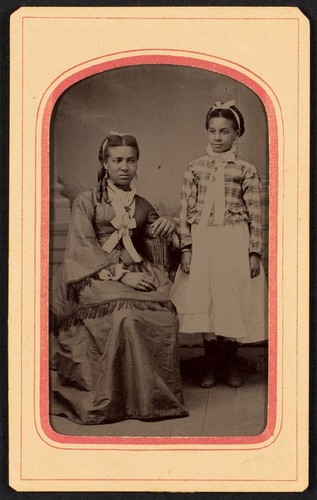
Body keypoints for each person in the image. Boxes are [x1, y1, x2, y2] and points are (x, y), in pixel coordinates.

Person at [50, 132, 188, 425]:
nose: (124, 166)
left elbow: (158, 235)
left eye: (131, 160)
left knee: (162, 316)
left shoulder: (141, 203)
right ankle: (117, 401)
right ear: (105, 163)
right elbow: (82, 247)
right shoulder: (86, 200)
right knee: (123, 314)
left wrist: (169, 224)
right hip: (94, 273)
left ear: (137, 164)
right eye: (117, 160)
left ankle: (149, 400)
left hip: (136, 270)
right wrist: (122, 276)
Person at [170, 100, 267, 388]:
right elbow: (185, 211)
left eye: (225, 132)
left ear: (237, 133)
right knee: (206, 297)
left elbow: (255, 215)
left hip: (233, 240)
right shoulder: (195, 167)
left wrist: (254, 252)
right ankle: (210, 364)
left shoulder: (245, 169)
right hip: (204, 241)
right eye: (212, 131)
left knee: (231, 298)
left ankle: (229, 363)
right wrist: (186, 247)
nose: (217, 137)